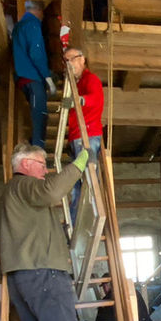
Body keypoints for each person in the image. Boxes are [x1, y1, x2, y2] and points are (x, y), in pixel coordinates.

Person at [0, 142, 109, 321]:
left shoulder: (13, 193)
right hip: (44, 275)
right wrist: (80, 163)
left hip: (21, 278)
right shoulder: (24, 184)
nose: (46, 170)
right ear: (25, 165)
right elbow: (51, 191)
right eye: (41, 164)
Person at [62, 47, 104, 225]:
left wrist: (80, 100)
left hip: (87, 135)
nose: (68, 64)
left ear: (82, 59)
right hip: (76, 136)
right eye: (66, 60)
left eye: (71, 59)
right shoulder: (75, 84)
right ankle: (75, 223)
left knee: (88, 180)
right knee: (77, 183)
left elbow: (96, 99)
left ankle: (90, 223)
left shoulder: (90, 79)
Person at [12, 0, 56, 149]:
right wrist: (47, 76)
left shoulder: (19, 26)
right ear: (39, 11)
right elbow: (36, 53)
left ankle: (35, 144)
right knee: (40, 114)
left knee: (36, 112)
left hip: (22, 76)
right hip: (32, 76)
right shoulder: (32, 25)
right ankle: (38, 147)